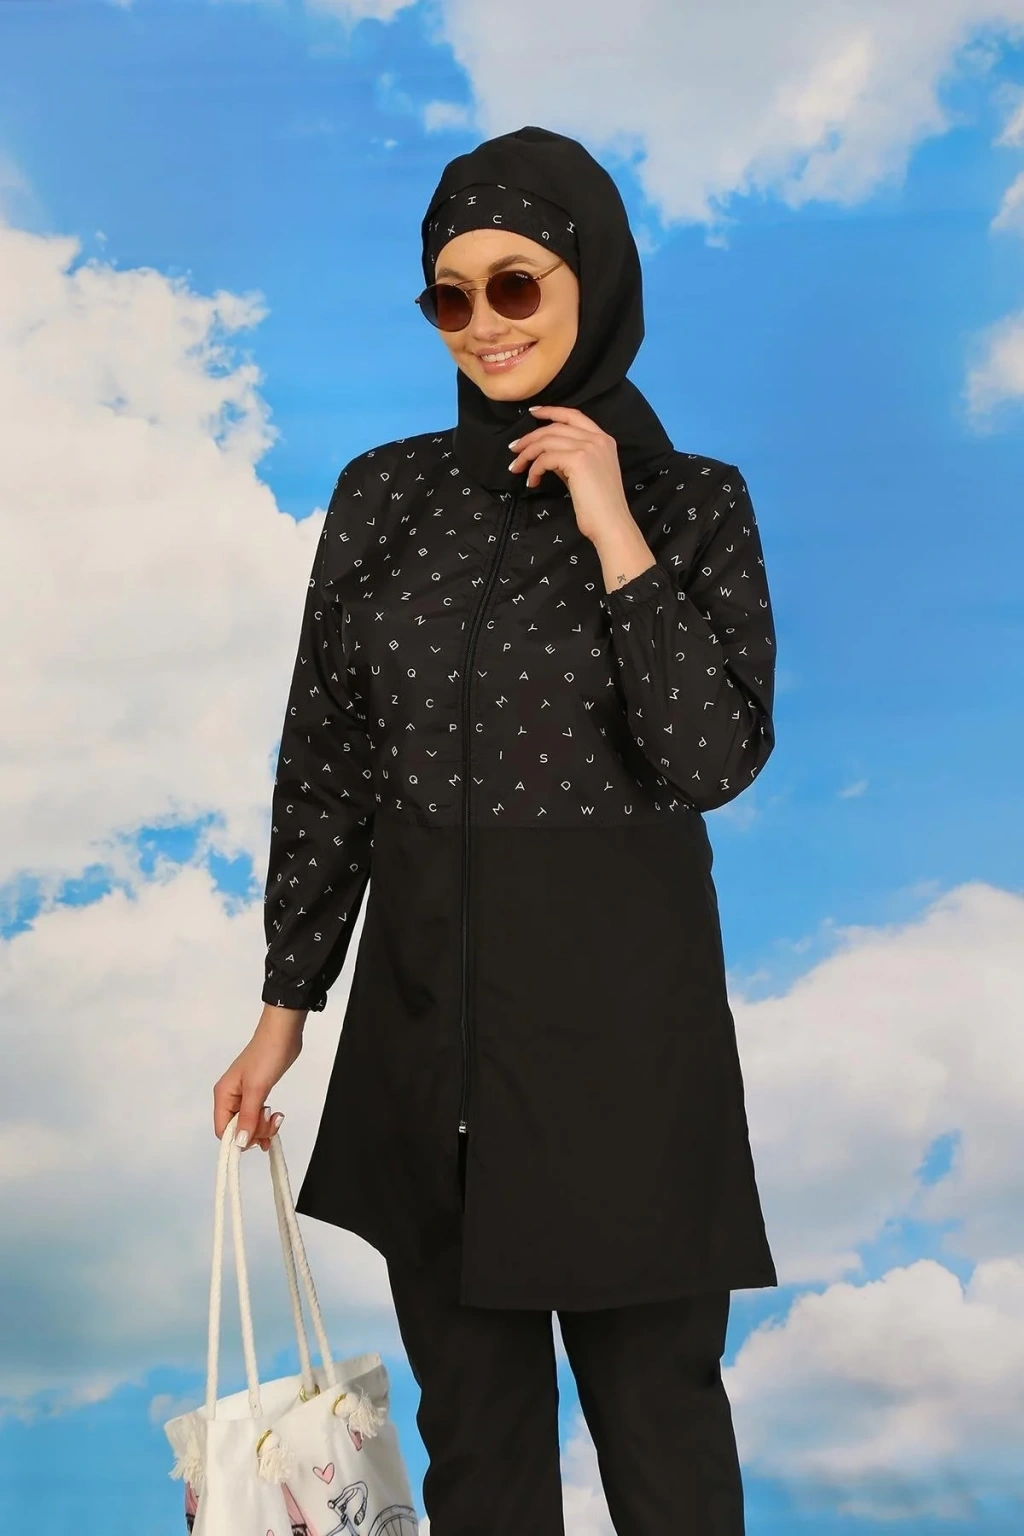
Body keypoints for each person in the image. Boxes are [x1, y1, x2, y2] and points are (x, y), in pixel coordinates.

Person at [214, 124, 779, 1535]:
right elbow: (328, 765)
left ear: (595, 280)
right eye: (450, 296)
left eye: (516, 285)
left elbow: (711, 757)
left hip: (624, 1050)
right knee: (475, 1446)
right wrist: (285, 1012)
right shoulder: (385, 496)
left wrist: (611, 520)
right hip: (432, 1035)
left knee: (661, 1434)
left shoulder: (694, 502)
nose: (483, 324)